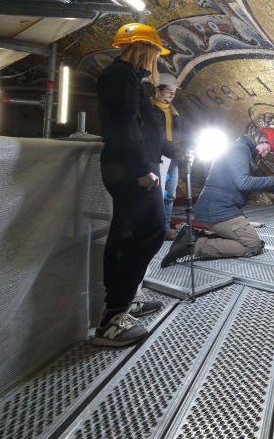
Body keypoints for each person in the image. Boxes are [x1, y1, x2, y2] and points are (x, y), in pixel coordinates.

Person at [93, 22, 177, 347]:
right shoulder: (119, 77)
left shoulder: (130, 79)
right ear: (145, 48)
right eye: (155, 51)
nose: (157, 57)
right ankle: (112, 319)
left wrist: (175, 151)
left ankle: (126, 301)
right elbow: (122, 126)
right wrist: (142, 169)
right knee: (152, 232)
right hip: (131, 170)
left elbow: (147, 131)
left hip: (132, 167)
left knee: (125, 233)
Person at [173, 127, 274, 262]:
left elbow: (255, 183)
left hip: (223, 208)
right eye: (266, 150)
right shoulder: (239, 149)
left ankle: (195, 236)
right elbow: (243, 183)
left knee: (248, 243)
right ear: (261, 138)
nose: (264, 154)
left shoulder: (247, 152)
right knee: (253, 245)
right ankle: (193, 244)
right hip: (218, 209)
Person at [150, 72, 184, 229]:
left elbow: (182, 135)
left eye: (174, 92)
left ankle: (165, 228)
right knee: (156, 194)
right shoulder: (149, 110)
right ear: (157, 91)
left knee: (170, 195)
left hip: (173, 158)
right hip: (158, 156)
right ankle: (154, 228)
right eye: (169, 91)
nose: (173, 94)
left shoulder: (175, 112)